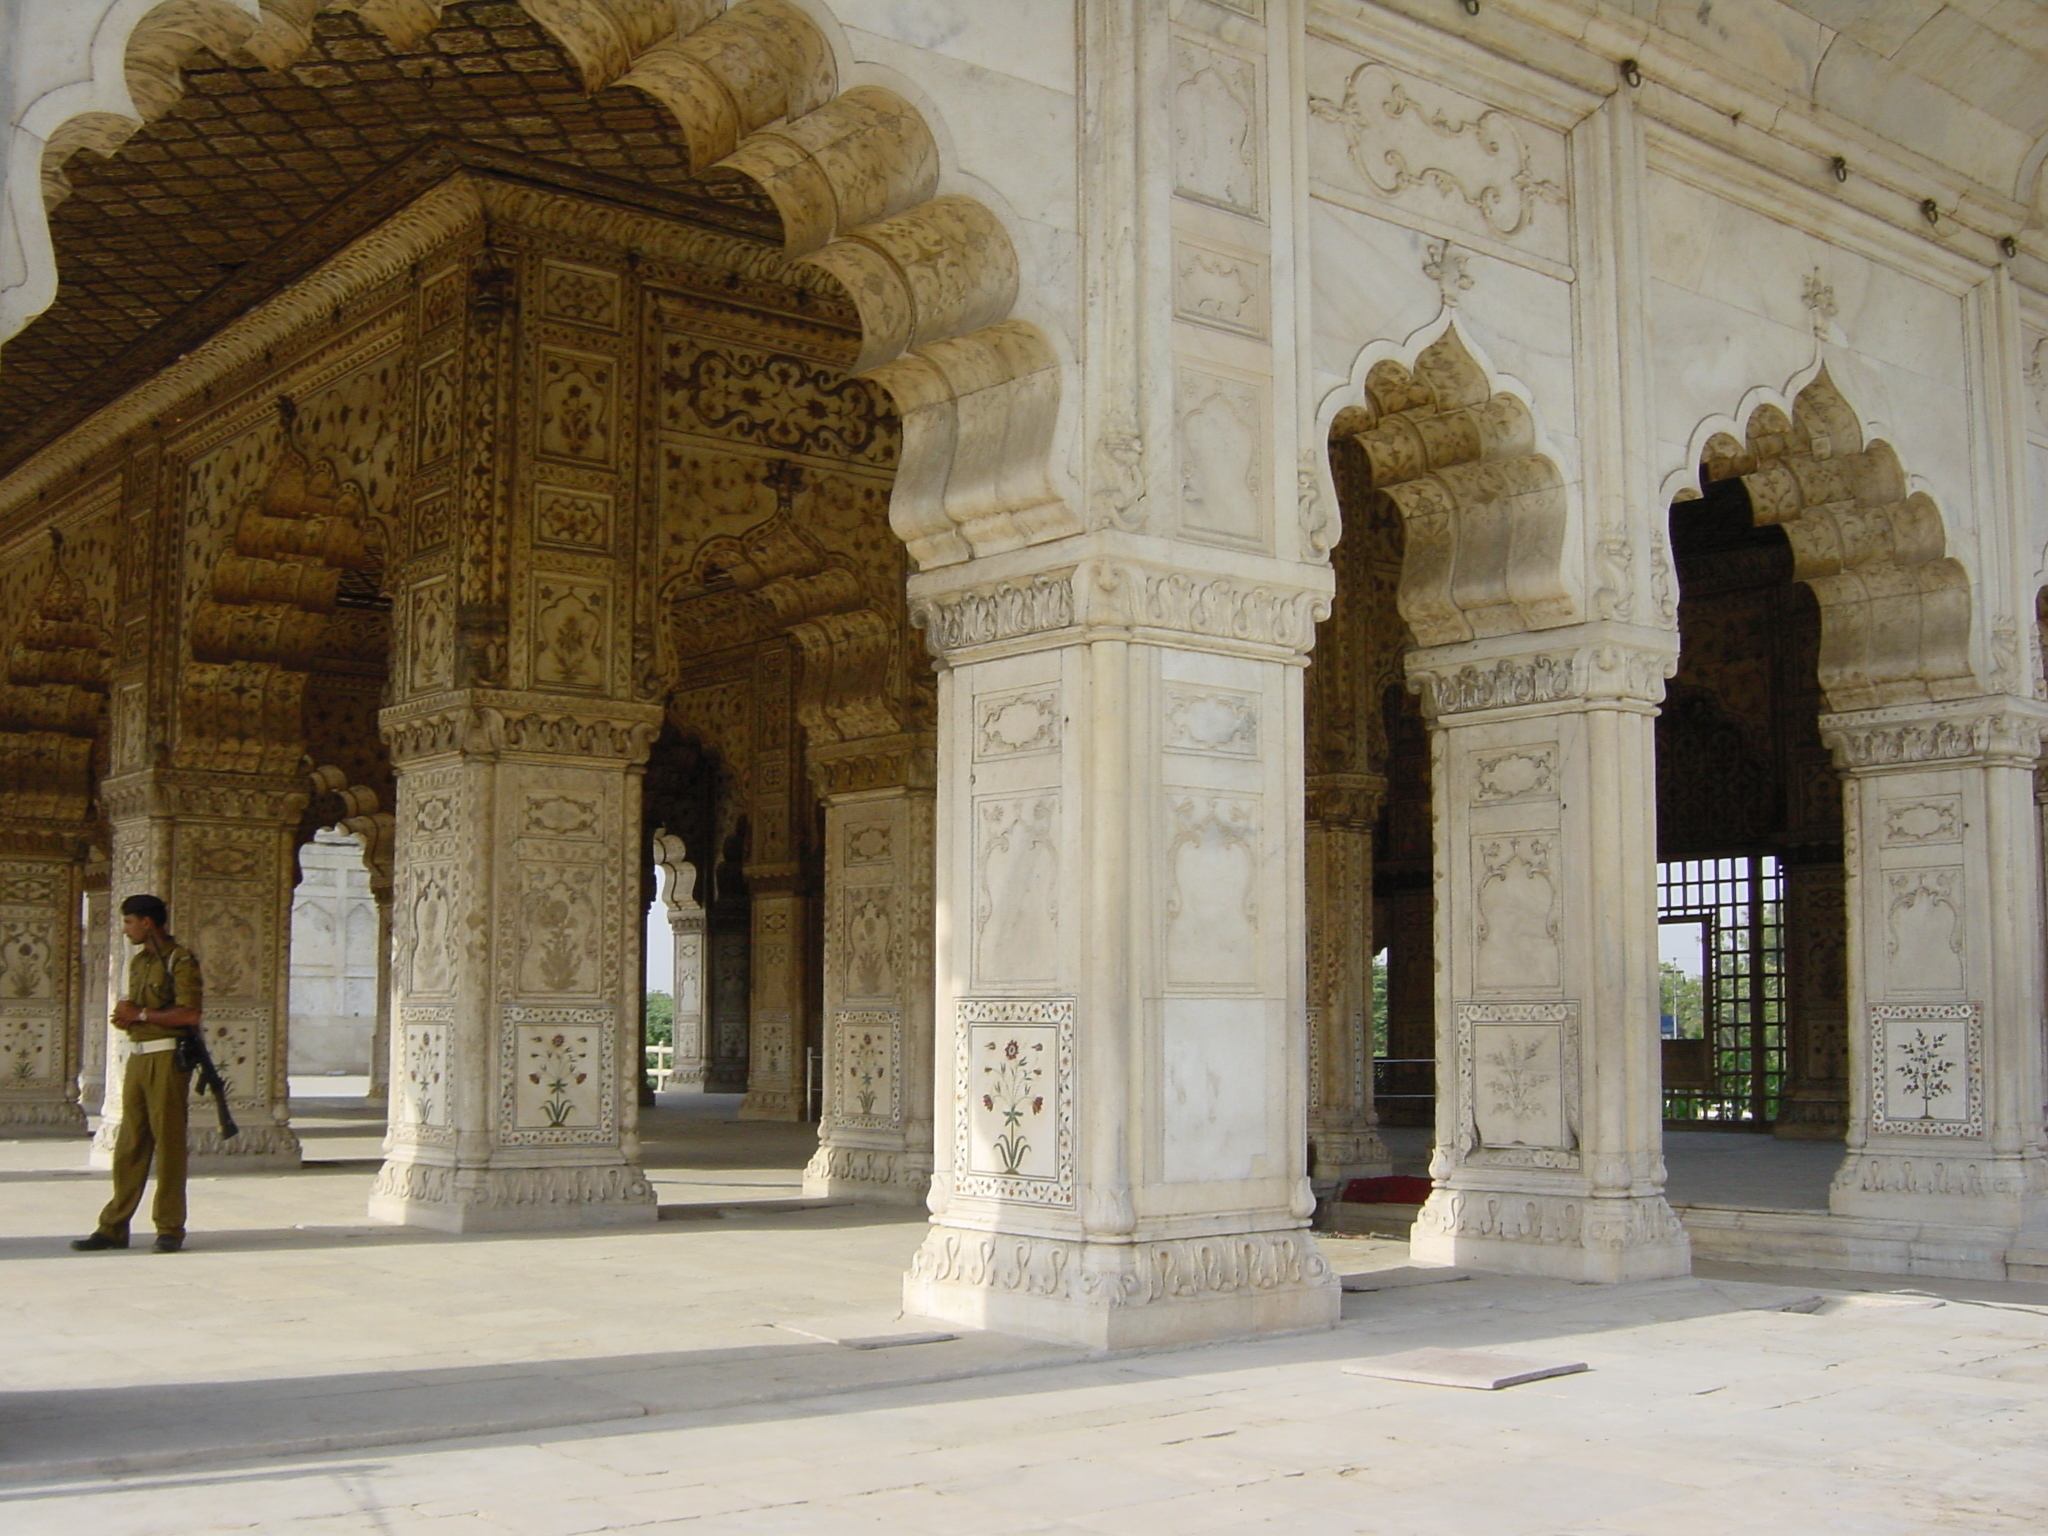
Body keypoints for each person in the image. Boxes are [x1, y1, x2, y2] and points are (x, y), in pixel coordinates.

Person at [72, 894, 205, 1254]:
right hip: (138, 1058)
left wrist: (141, 1015)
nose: (126, 929)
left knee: (169, 1145)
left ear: (147, 922)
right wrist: (128, 1015)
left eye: (130, 922)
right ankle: (113, 1226)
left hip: (166, 1059)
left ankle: (169, 1227)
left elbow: (189, 1015)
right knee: (130, 1144)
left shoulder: (180, 959)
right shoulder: (140, 961)